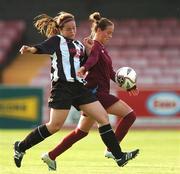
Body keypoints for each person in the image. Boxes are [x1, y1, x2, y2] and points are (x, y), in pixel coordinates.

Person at [13, 11, 136, 170]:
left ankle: (119, 156)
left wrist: (89, 50)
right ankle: (21, 146)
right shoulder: (57, 40)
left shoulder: (78, 45)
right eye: (69, 29)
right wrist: (30, 49)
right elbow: (42, 48)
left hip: (79, 88)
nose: (72, 31)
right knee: (54, 126)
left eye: (74, 28)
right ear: (60, 29)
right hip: (62, 87)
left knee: (103, 118)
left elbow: (90, 63)